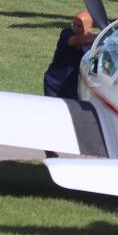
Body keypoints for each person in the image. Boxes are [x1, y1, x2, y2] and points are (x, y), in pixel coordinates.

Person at [43, 11, 97, 157]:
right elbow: (74, 41)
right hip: (54, 83)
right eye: (74, 24)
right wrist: (101, 37)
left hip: (72, 86)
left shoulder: (91, 44)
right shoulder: (66, 34)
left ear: (88, 27)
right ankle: (50, 150)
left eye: (79, 25)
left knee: (73, 118)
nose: (75, 27)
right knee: (52, 115)